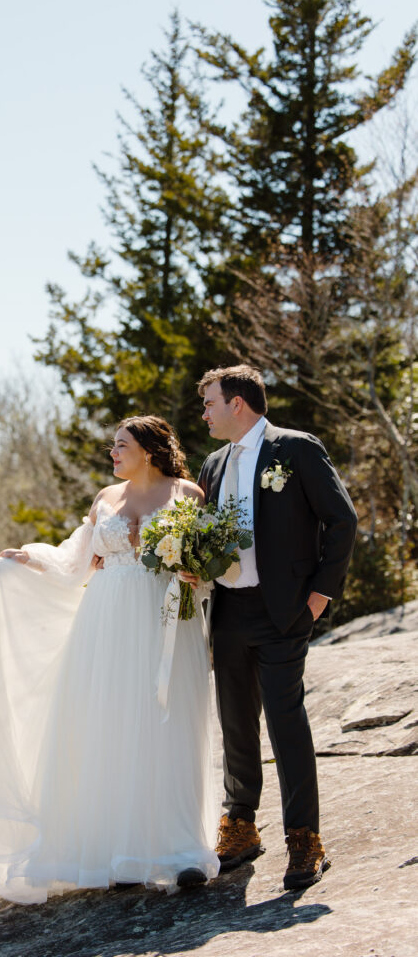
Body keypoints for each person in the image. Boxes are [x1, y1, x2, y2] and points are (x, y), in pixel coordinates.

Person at [0, 415, 220, 903]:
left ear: (150, 450)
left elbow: (206, 567)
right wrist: (28, 561)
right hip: (105, 625)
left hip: (165, 625)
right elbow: (75, 564)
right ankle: (118, 853)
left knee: (169, 726)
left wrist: (192, 576)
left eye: (121, 445)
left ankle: (180, 853)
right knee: (108, 731)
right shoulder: (105, 499)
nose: (112, 453)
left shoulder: (187, 495)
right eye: (112, 445)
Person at [188, 365, 357, 890]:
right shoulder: (212, 464)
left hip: (284, 612)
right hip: (230, 614)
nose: (206, 412)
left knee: (286, 724)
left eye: (211, 403)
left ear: (238, 403)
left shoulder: (297, 448)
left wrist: (318, 598)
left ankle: (304, 838)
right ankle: (240, 825)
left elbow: (342, 520)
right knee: (236, 723)